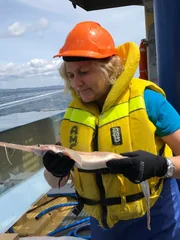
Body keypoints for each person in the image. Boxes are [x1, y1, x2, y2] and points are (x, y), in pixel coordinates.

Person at [43, 21, 180, 240]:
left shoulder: (149, 100)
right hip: (102, 226)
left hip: (156, 220)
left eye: (84, 72)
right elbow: (54, 182)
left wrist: (162, 166)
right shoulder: (73, 115)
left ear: (110, 67)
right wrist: (54, 170)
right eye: (70, 75)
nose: (76, 83)